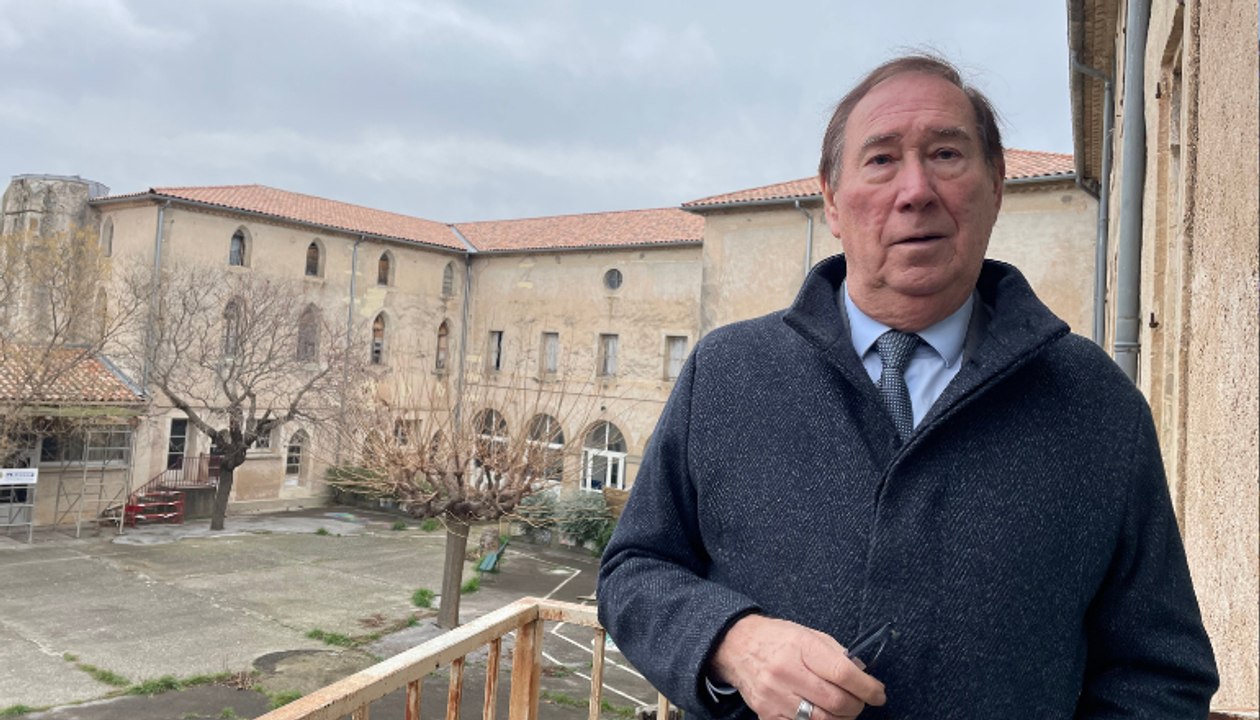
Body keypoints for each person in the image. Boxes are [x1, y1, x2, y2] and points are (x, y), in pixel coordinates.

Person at [597, 54, 1218, 720]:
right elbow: (632, 570)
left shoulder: (1094, 404)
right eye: (881, 159)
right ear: (832, 202)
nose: (915, 189)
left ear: (996, 186)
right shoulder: (726, 374)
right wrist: (731, 640)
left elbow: (1159, 674)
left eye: (946, 154)